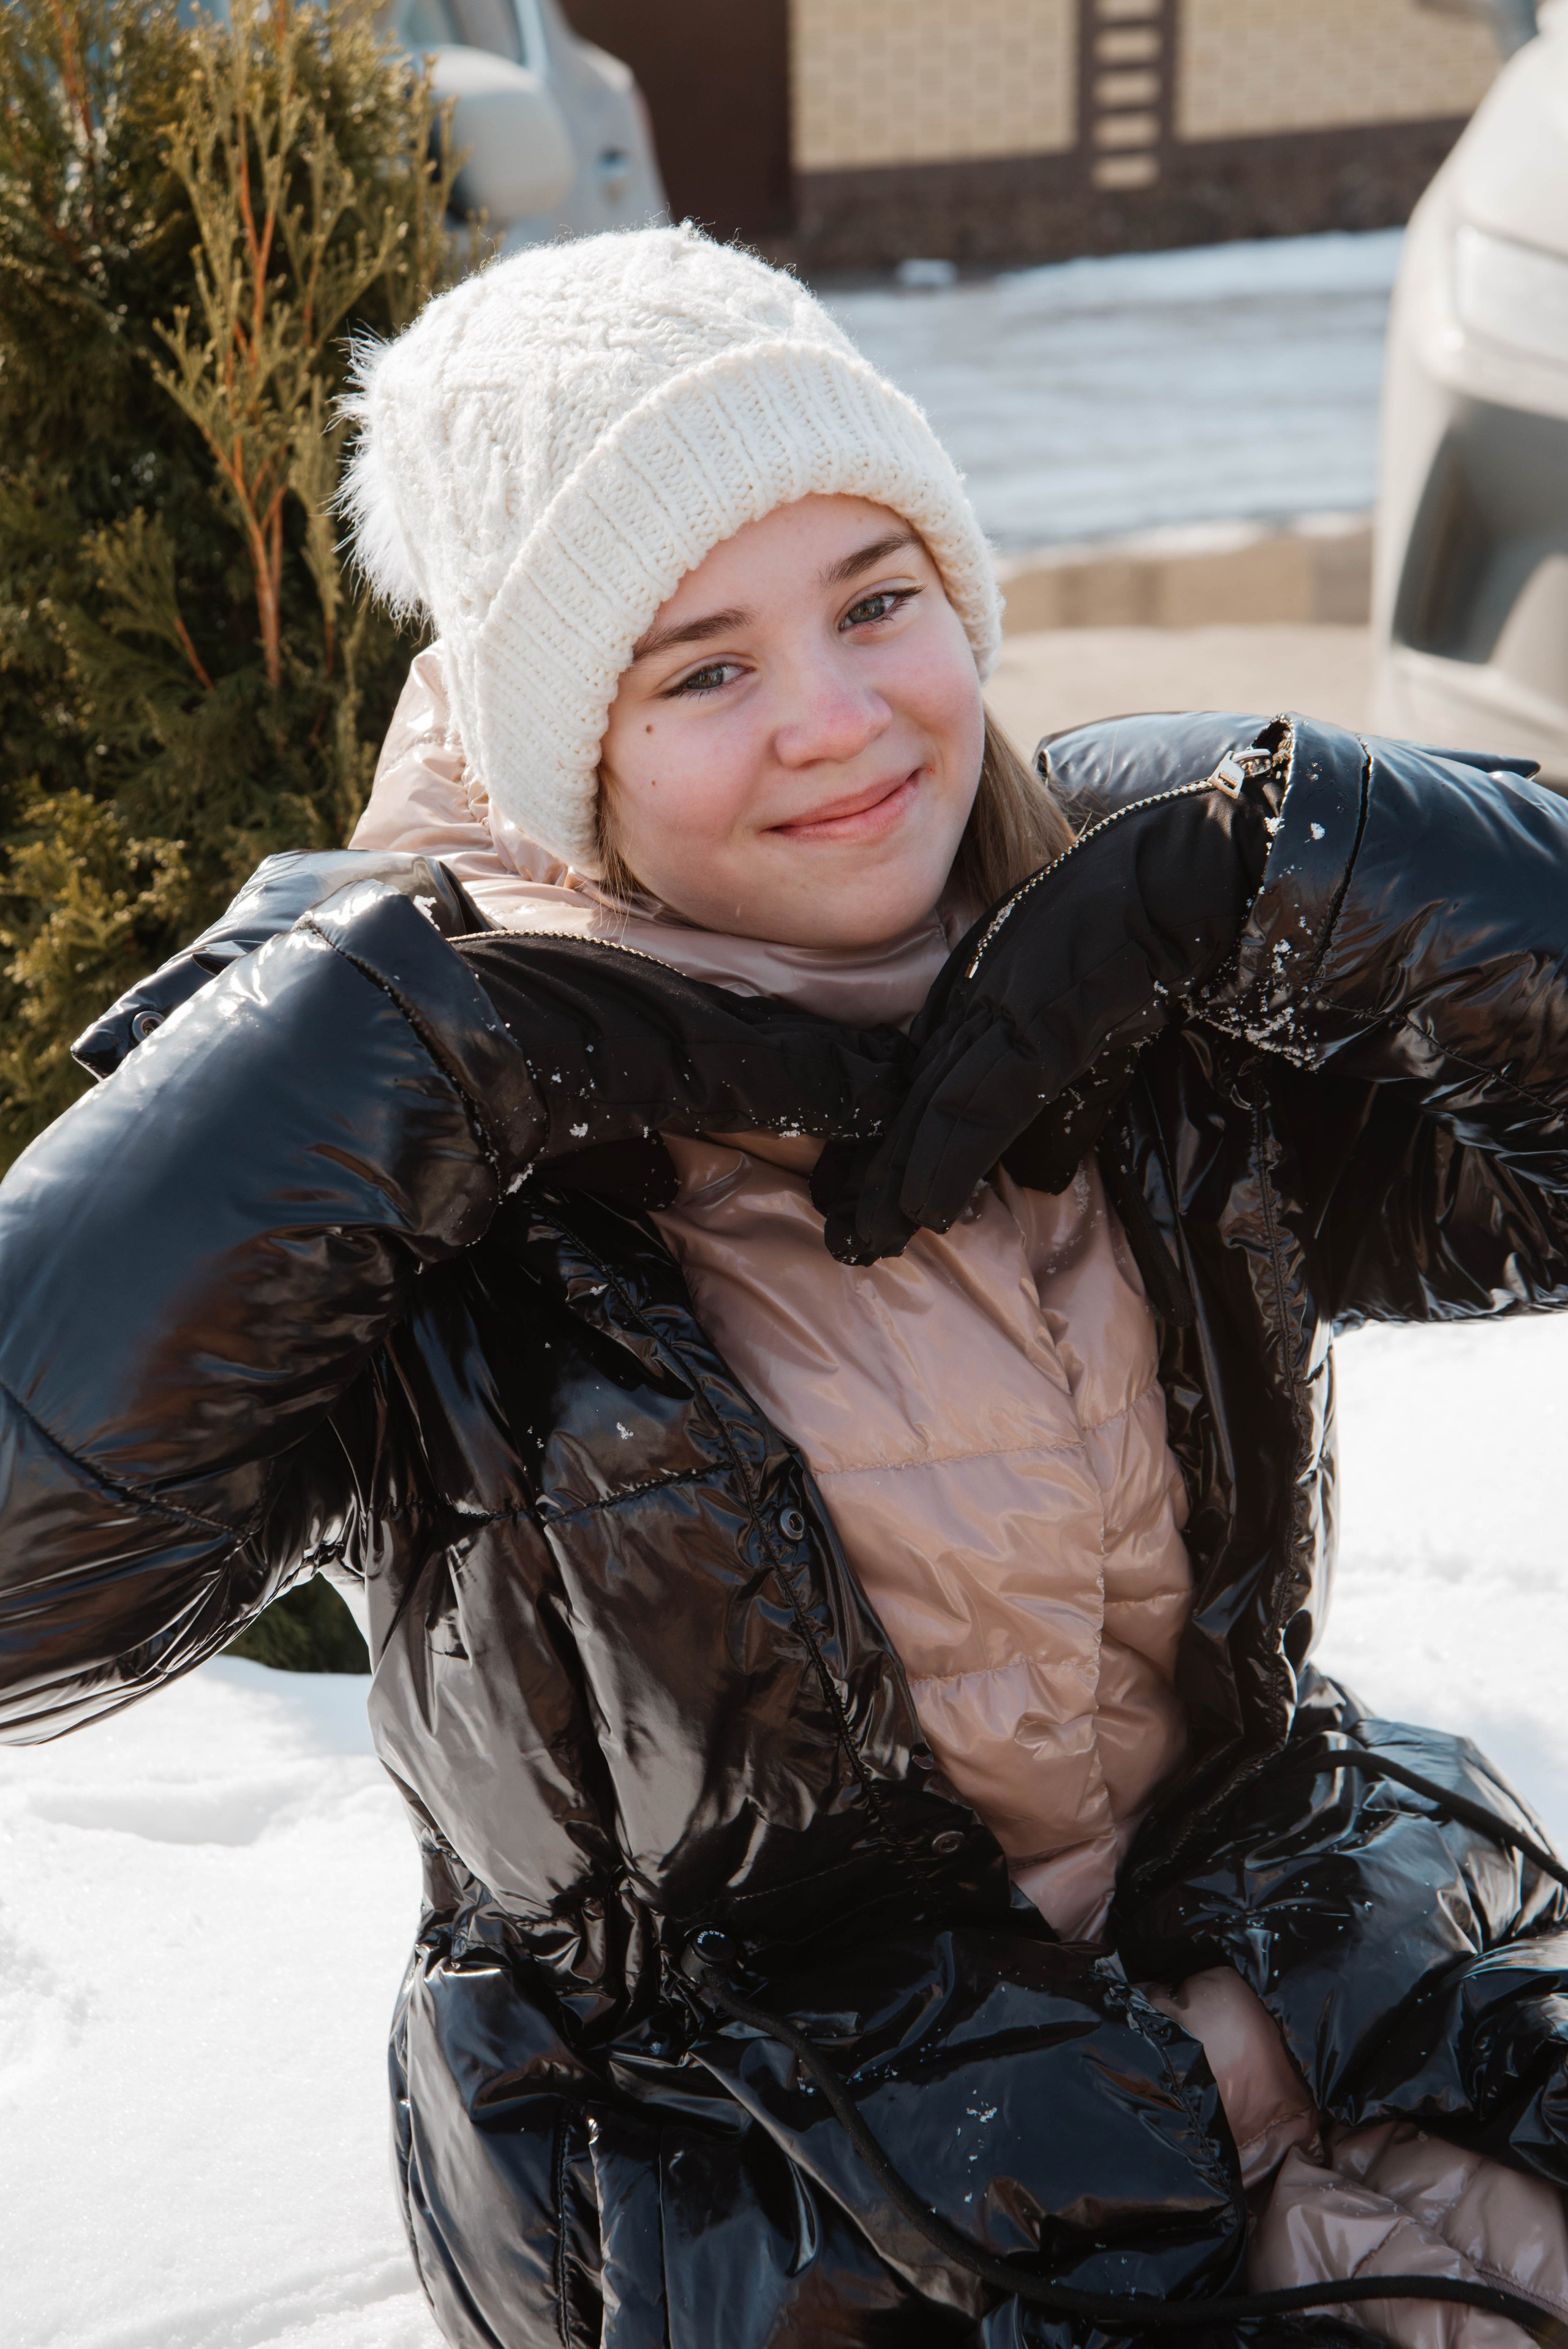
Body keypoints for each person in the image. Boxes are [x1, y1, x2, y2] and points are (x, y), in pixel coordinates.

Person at [4, 225, 1568, 2349]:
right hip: (767, 2189)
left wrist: (1318, 858)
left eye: (877, 601)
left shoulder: (1115, 959)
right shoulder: (429, 1143)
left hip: (1286, 1983)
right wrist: (409, 1058)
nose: (843, 724)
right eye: (703, 666)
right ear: (573, 749)